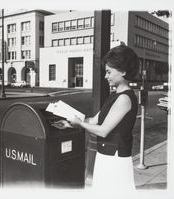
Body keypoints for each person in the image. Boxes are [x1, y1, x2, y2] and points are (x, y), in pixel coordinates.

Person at [65, 44, 139, 191]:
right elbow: (94, 120)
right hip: (106, 155)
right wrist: (71, 121)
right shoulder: (114, 96)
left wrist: (80, 122)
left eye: (109, 72)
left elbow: (103, 130)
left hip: (115, 159)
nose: (105, 76)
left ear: (123, 71)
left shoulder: (124, 98)